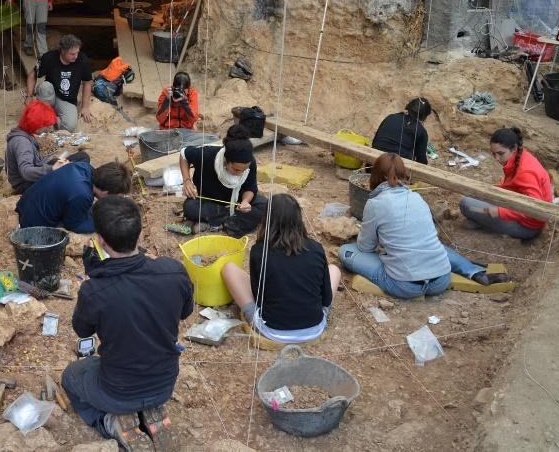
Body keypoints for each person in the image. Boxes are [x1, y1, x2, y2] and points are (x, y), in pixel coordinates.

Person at [62, 196, 193, 451]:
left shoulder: (94, 290)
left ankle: (110, 423)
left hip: (117, 390)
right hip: (163, 384)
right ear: (139, 233)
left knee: (71, 375)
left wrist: (95, 276)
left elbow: (82, 330)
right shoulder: (173, 271)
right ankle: (149, 410)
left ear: (100, 240)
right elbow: (185, 312)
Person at [338, 153, 510, 299]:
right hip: (441, 280)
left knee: (346, 251)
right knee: (435, 247)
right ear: (403, 175)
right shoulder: (417, 197)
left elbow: (365, 247)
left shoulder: (375, 204)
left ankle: (404, 277)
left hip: (405, 286)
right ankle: (474, 272)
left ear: (375, 176)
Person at [222, 194, 340, 344]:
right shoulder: (316, 248)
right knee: (334, 269)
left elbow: (259, 297)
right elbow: (326, 298)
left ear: (266, 220)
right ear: (298, 219)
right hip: (314, 328)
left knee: (229, 269)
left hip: (272, 330)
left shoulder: (259, 251)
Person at [459, 127, 553, 240]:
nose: (497, 158)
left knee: (466, 204)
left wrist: (500, 212)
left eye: (500, 153)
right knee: (473, 196)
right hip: (519, 209)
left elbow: (534, 209)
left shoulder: (526, 172)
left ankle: (480, 222)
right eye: (494, 154)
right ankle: (481, 220)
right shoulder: (520, 156)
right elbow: (514, 186)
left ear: (514, 148)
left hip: (528, 227)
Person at [178, 124, 268, 237]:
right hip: (208, 201)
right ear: (226, 161)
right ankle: (230, 222)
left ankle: (217, 223)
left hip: (236, 203)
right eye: (236, 169)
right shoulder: (207, 155)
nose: (241, 172)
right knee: (190, 207)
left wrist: (245, 201)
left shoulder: (250, 163)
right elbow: (184, 154)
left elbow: (250, 187)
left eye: (244, 170)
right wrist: (187, 180)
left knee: (265, 205)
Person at [16, 161, 132, 233]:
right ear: (105, 192)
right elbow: (74, 225)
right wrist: (104, 223)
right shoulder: (82, 195)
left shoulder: (84, 167)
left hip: (25, 205)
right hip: (33, 225)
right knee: (96, 222)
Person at [6, 99, 90, 194]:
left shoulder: (25, 133)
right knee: (75, 166)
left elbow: (36, 161)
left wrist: (54, 161)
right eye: (45, 126)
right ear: (36, 123)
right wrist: (52, 168)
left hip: (37, 173)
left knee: (82, 157)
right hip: (26, 184)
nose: (47, 130)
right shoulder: (21, 142)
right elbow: (26, 172)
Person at [26, 34, 93, 132]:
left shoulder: (82, 60)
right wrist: (29, 96)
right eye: (72, 54)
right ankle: (45, 116)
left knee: (70, 126)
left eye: (77, 53)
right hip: (50, 95)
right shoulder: (49, 58)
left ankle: (52, 119)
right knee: (44, 87)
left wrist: (85, 107)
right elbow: (32, 75)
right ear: (62, 51)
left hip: (67, 100)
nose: (76, 56)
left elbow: (87, 82)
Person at [371, 97, 433, 164]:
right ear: (424, 117)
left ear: (408, 107)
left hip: (373, 164)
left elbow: (375, 142)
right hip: (396, 171)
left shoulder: (390, 117)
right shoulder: (422, 132)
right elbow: (421, 161)